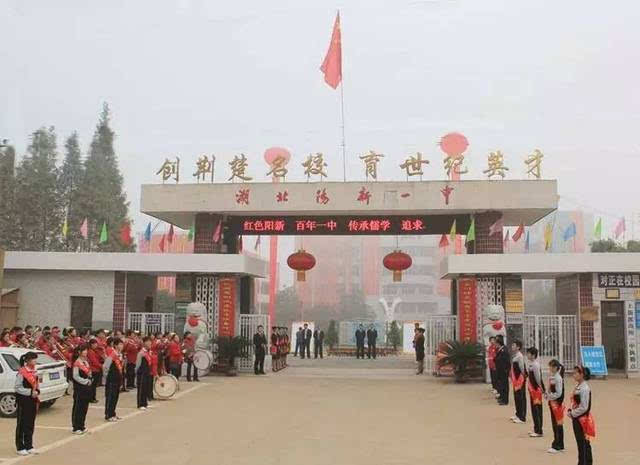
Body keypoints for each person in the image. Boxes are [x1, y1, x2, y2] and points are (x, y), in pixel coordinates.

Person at [568, 365, 595, 465]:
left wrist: (572, 413)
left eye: (575, 373)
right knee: (582, 443)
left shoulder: (584, 388)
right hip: (577, 418)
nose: (573, 375)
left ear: (582, 375)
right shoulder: (579, 386)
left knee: (583, 443)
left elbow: (584, 407)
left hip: (582, 420)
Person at [15, 351, 40, 455]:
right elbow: (17, 388)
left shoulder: (34, 371)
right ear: (28, 360)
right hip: (23, 401)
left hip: (32, 400)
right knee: (22, 424)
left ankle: (29, 445)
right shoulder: (22, 372)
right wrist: (30, 392)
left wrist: (37, 392)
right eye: (33, 359)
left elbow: (37, 385)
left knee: (30, 423)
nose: (35, 361)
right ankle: (20, 446)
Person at [71, 344, 92, 434]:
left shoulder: (86, 362)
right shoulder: (77, 363)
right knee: (78, 407)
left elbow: (89, 372)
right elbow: (75, 376)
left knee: (84, 407)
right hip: (79, 388)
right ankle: (76, 427)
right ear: (79, 352)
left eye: (86, 350)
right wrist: (85, 381)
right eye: (84, 350)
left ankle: (82, 425)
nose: (85, 352)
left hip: (86, 388)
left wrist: (90, 380)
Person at [545, 359, 565, 453]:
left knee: (557, 424)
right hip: (552, 403)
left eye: (552, 367)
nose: (550, 368)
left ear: (556, 368)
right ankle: (559, 443)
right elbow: (550, 389)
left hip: (557, 404)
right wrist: (547, 393)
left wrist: (549, 396)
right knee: (555, 423)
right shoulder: (552, 377)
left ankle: (557, 444)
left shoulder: (558, 378)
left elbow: (559, 393)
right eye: (550, 366)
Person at [103, 338, 124, 422]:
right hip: (111, 379)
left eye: (122, 344)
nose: (122, 346)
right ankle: (108, 414)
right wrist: (106, 377)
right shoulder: (112, 354)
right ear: (115, 345)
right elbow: (105, 366)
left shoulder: (120, 354)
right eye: (120, 344)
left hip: (117, 378)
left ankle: (113, 413)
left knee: (115, 396)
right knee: (110, 397)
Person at [526, 347, 544, 437]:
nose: (527, 355)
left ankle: (539, 430)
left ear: (533, 355)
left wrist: (542, 389)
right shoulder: (531, 364)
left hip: (536, 390)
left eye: (529, 353)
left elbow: (538, 378)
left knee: (536, 409)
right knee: (534, 409)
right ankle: (536, 428)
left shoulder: (535, 365)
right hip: (532, 389)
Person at [510, 340, 527, 424]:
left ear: (518, 347)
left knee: (520, 397)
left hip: (519, 380)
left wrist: (523, 378)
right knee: (516, 397)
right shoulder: (515, 355)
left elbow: (522, 369)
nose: (512, 346)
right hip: (515, 379)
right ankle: (518, 414)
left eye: (514, 345)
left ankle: (522, 416)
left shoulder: (520, 356)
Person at [135, 336, 153, 410]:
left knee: (146, 387)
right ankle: (140, 404)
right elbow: (138, 364)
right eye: (148, 342)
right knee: (141, 388)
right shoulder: (141, 353)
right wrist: (137, 372)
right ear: (144, 343)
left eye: (150, 342)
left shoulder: (148, 352)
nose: (150, 343)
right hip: (141, 373)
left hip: (147, 372)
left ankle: (145, 403)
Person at [493, 335, 510, 405]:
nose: (495, 345)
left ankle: (505, 400)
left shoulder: (504, 350)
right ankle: (502, 397)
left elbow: (506, 361)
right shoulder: (500, 349)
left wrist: (506, 370)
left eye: (495, 344)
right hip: (500, 371)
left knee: (504, 386)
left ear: (498, 343)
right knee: (501, 385)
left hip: (503, 371)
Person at [87, 338, 102, 403]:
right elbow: (94, 362)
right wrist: (101, 366)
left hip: (96, 369)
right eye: (95, 344)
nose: (96, 345)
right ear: (91, 344)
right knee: (92, 385)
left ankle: (93, 397)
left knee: (94, 385)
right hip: (93, 370)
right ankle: (91, 398)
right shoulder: (90, 352)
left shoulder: (94, 351)